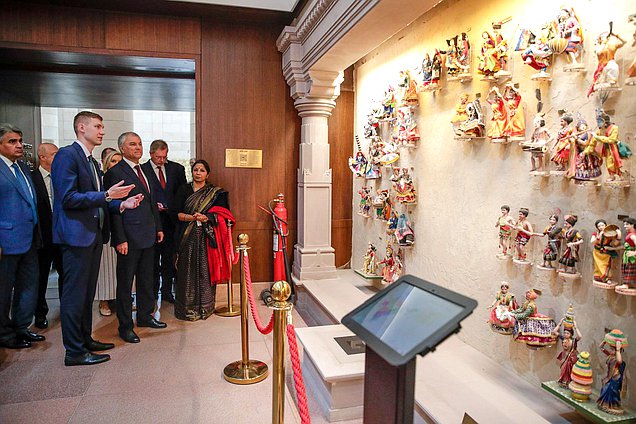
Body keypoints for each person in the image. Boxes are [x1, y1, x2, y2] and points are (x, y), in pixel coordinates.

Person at [52, 111, 142, 366]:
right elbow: (68, 198)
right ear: (81, 128)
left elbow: (99, 201)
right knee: (74, 296)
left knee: (86, 294)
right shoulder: (67, 156)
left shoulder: (91, 161)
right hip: (75, 236)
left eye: (102, 127)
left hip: (92, 236)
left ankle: (85, 340)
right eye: (97, 126)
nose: (102, 131)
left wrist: (122, 204)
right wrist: (108, 196)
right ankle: (74, 351)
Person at [104, 132, 165, 343]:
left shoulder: (145, 170)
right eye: (132, 144)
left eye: (139, 144)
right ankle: (125, 326)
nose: (138, 147)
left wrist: (158, 227)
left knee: (147, 279)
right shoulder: (115, 172)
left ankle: (146, 316)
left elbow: (151, 201)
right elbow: (113, 209)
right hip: (128, 238)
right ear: (122, 148)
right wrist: (120, 238)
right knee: (125, 283)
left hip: (148, 234)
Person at [173, 159, 234, 321]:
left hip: (207, 237)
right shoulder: (183, 190)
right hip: (186, 235)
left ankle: (206, 307)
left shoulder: (215, 193)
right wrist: (191, 217)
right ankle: (186, 309)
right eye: (195, 170)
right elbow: (175, 213)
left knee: (205, 271)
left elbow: (224, 214)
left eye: (202, 170)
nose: (198, 173)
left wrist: (206, 217)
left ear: (207, 174)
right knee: (186, 270)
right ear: (191, 172)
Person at [0, 124, 43, 349]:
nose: (18, 146)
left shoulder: (23, 168)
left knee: (29, 286)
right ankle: (5, 335)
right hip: (6, 242)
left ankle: (21, 328)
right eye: (12, 141)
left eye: (19, 141)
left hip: (29, 239)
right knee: (4, 291)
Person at [142, 139, 186, 304]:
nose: (161, 160)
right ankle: (152, 293)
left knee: (169, 258)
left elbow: (182, 193)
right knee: (152, 260)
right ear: (151, 154)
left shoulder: (176, 169)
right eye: (158, 157)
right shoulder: (142, 170)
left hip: (171, 221)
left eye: (164, 157)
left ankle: (167, 292)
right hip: (151, 221)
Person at [31, 142, 62, 329]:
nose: (58, 157)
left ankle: (66, 309)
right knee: (41, 277)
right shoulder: (32, 178)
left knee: (65, 274)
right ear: (43, 157)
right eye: (54, 154)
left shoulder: (61, 177)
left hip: (61, 234)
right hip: (42, 236)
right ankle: (40, 313)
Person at [95, 150, 123, 316]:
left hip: (124, 230)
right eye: (113, 161)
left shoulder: (128, 181)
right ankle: (104, 301)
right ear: (107, 164)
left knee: (121, 268)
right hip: (107, 228)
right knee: (106, 267)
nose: (117, 164)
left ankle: (120, 298)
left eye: (120, 161)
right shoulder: (102, 181)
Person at [597, 329, 628, 415]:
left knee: (612, 391)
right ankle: (605, 404)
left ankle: (613, 405)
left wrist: (618, 350)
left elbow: (619, 361)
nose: (611, 351)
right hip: (609, 377)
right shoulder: (610, 356)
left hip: (615, 378)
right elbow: (601, 347)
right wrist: (605, 340)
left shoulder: (618, 358)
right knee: (605, 389)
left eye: (612, 350)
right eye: (610, 349)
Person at [551, 308, 582, 388]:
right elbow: (554, 332)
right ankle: (563, 381)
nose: (565, 334)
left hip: (571, 358)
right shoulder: (563, 339)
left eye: (567, 333)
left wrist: (576, 327)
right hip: (565, 357)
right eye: (564, 332)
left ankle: (569, 383)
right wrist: (560, 324)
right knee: (563, 369)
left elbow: (580, 336)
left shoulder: (573, 340)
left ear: (571, 334)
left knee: (570, 371)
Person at [590, 220, 621, 285]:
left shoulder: (609, 234)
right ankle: (598, 277)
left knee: (606, 265)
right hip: (597, 252)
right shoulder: (596, 233)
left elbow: (615, 243)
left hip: (606, 252)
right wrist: (599, 237)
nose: (601, 227)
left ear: (606, 225)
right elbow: (592, 241)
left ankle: (607, 278)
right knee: (598, 265)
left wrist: (619, 236)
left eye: (602, 225)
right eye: (599, 226)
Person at [616, 217, 636, 293]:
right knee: (627, 269)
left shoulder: (633, 235)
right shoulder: (630, 234)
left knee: (631, 269)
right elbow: (625, 246)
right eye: (624, 224)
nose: (625, 226)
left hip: (632, 258)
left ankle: (627, 284)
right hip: (628, 256)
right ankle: (628, 284)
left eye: (627, 224)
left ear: (633, 225)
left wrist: (634, 253)